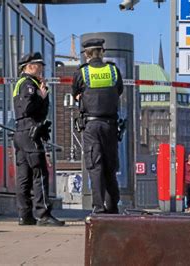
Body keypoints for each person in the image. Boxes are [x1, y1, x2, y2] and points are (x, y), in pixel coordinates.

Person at [72, 38, 124, 214]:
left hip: (91, 125)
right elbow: (119, 90)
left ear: (86, 54)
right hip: (110, 124)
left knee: (95, 166)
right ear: (102, 52)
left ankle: (98, 206)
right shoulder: (113, 70)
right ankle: (113, 205)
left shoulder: (82, 73)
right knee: (110, 165)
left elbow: (75, 93)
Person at [13, 52, 64, 226]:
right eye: (38, 65)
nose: (41, 68)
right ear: (28, 66)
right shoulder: (28, 84)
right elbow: (29, 108)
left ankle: (25, 215)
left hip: (21, 132)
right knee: (40, 172)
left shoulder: (21, 83)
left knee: (24, 175)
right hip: (30, 132)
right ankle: (43, 214)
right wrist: (42, 97)